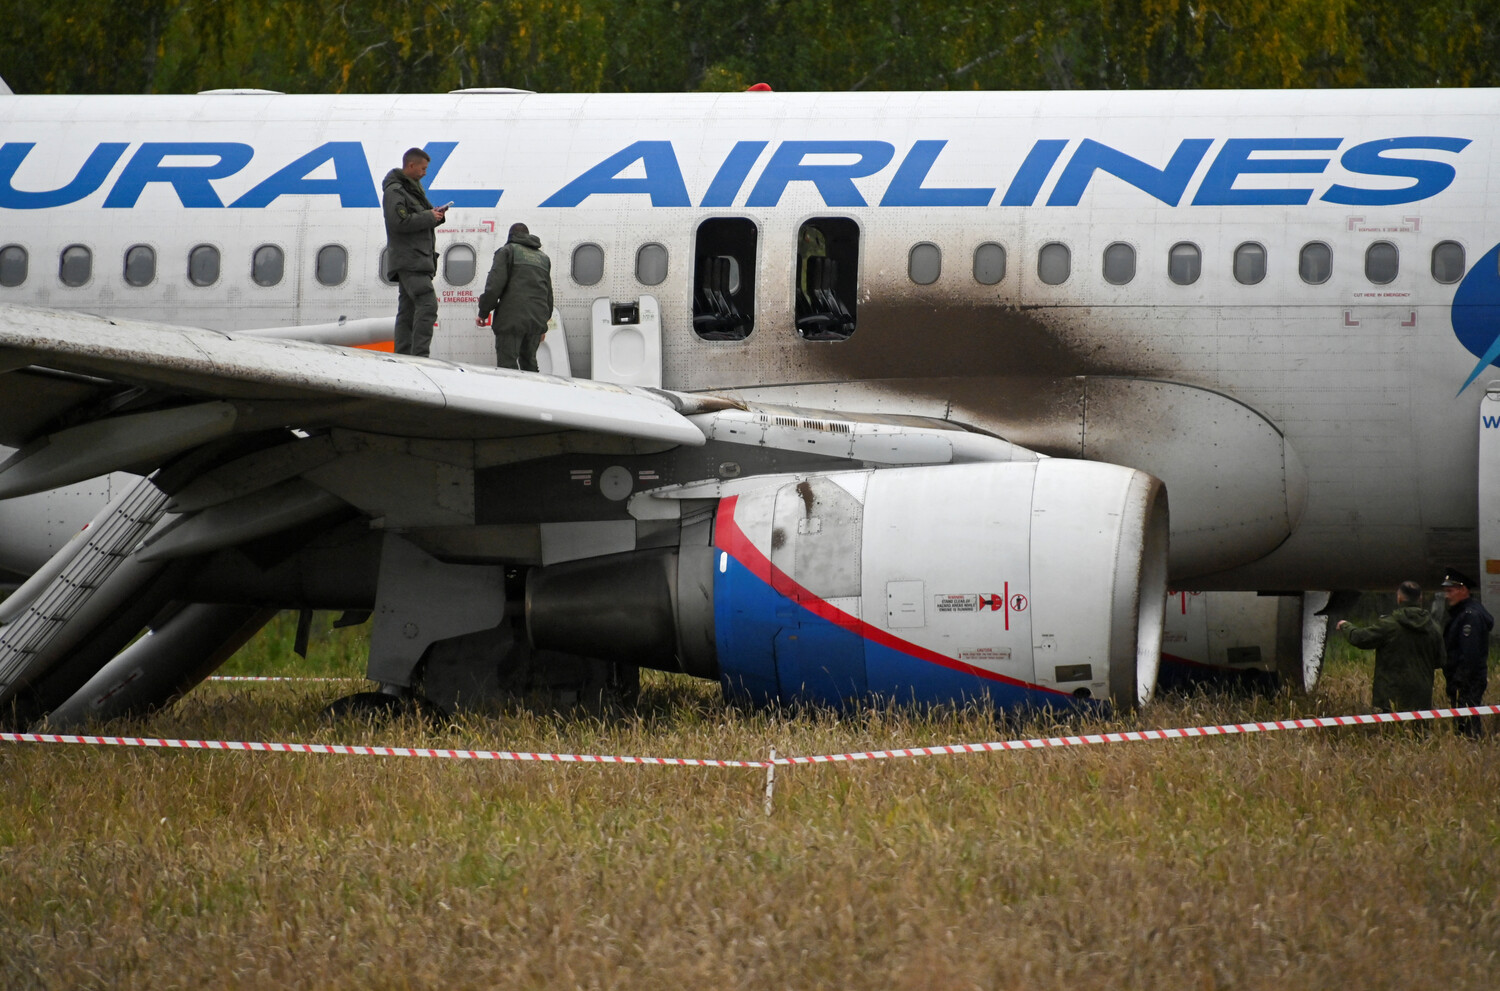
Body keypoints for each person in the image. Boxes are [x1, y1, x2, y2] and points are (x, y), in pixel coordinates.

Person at [1335, 580, 1443, 713]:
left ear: (1399, 598)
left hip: (1391, 694)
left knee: (1392, 732)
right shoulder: (1433, 627)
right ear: (1420, 598)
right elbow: (1440, 660)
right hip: (1422, 695)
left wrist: (1346, 626)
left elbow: (1360, 638)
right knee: (1418, 731)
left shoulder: (1389, 625)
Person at [382, 148, 448, 357]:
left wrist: (437, 214)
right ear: (411, 165)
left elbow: (424, 215)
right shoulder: (396, 192)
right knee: (427, 305)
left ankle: (404, 356)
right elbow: (398, 222)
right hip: (411, 260)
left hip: (418, 259)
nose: (425, 172)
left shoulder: (413, 190)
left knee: (408, 312)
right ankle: (420, 357)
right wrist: (429, 217)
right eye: (423, 168)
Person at [477, 222, 553, 371]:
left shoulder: (507, 251)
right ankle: (531, 393)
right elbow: (548, 294)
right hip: (535, 321)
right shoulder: (543, 258)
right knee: (530, 363)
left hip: (511, 319)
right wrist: (542, 326)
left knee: (508, 366)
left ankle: (511, 393)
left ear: (511, 236)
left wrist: (483, 312)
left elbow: (494, 286)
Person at [1440, 567, 1492, 736]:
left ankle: (1473, 747)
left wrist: (1459, 680)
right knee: (1462, 723)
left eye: (1450, 591)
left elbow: (1470, 653)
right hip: (1463, 680)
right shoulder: (1462, 614)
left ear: (1463, 590)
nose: (1447, 596)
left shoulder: (1470, 616)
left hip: (1467, 681)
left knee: (1468, 726)